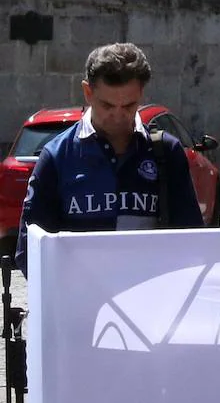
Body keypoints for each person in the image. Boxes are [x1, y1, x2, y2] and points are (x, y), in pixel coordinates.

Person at [15, 42, 203, 276]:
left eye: (129, 105)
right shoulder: (56, 155)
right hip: (79, 306)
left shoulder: (166, 152)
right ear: (88, 92)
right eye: (107, 105)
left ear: (141, 94)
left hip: (150, 303)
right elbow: (30, 251)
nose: (118, 115)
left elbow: (193, 242)